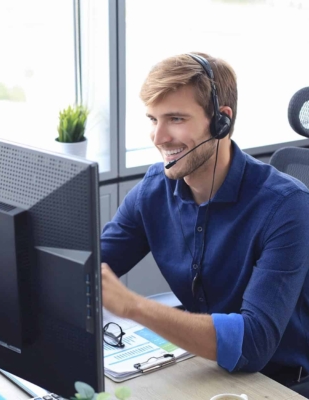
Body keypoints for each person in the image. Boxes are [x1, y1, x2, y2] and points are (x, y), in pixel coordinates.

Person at [100, 52, 309, 386]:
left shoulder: (287, 205)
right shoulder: (153, 191)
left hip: (277, 383)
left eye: (176, 119)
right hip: (201, 365)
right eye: (153, 120)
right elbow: (91, 267)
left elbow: (253, 343)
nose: (158, 137)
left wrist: (134, 307)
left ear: (221, 120)